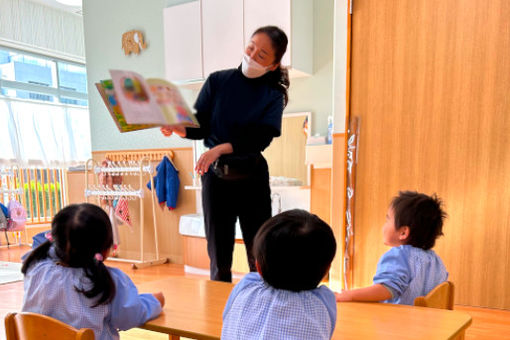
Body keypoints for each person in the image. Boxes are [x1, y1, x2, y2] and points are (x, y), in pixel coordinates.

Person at [161, 26, 290, 282]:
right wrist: (179, 129)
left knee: (259, 250)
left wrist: (221, 147)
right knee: (219, 255)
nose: (252, 56)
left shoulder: (273, 94)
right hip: (216, 177)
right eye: (251, 47)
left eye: (262, 55)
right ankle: (218, 312)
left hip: (251, 176)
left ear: (274, 65)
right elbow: (201, 126)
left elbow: (261, 138)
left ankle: (261, 304)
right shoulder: (218, 81)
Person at [21, 203, 164, 340]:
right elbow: (129, 317)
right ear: (106, 248)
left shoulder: (37, 268)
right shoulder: (106, 281)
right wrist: (153, 302)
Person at [221, 209, 337, 340]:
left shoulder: (246, 287)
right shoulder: (323, 302)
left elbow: (227, 319)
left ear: (258, 268)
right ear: (327, 269)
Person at [335, 190, 448, 305]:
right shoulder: (436, 260)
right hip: (430, 321)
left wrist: (350, 295)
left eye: (387, 219)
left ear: (403, 233)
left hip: (400, 320)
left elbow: (386, 289)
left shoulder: (399, 256)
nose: (384, 225)